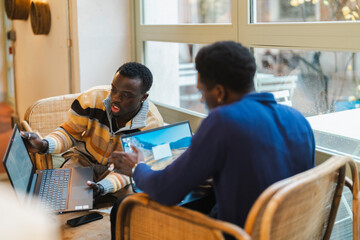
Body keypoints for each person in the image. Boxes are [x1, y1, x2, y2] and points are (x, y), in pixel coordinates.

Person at [108, 41, 315, 232]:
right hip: (286, 232)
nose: (201, 98)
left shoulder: (223, 121)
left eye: (202, 90)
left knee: (123, 206)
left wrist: (137, 167)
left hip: (237, 234)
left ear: (219, 92)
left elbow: (165, 191)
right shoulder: (297, 119)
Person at [21, 62, 163, 197]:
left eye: (126, 95)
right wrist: (43, 145)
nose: (116, 98)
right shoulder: (92, 98)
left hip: (120, 172)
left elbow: (131, 167)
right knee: (60, 196)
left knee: (131, 203)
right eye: (114, 89)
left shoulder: (151, 124)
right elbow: (70, 133)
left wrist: (102, 187)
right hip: (84, 160)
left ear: (143, 97)